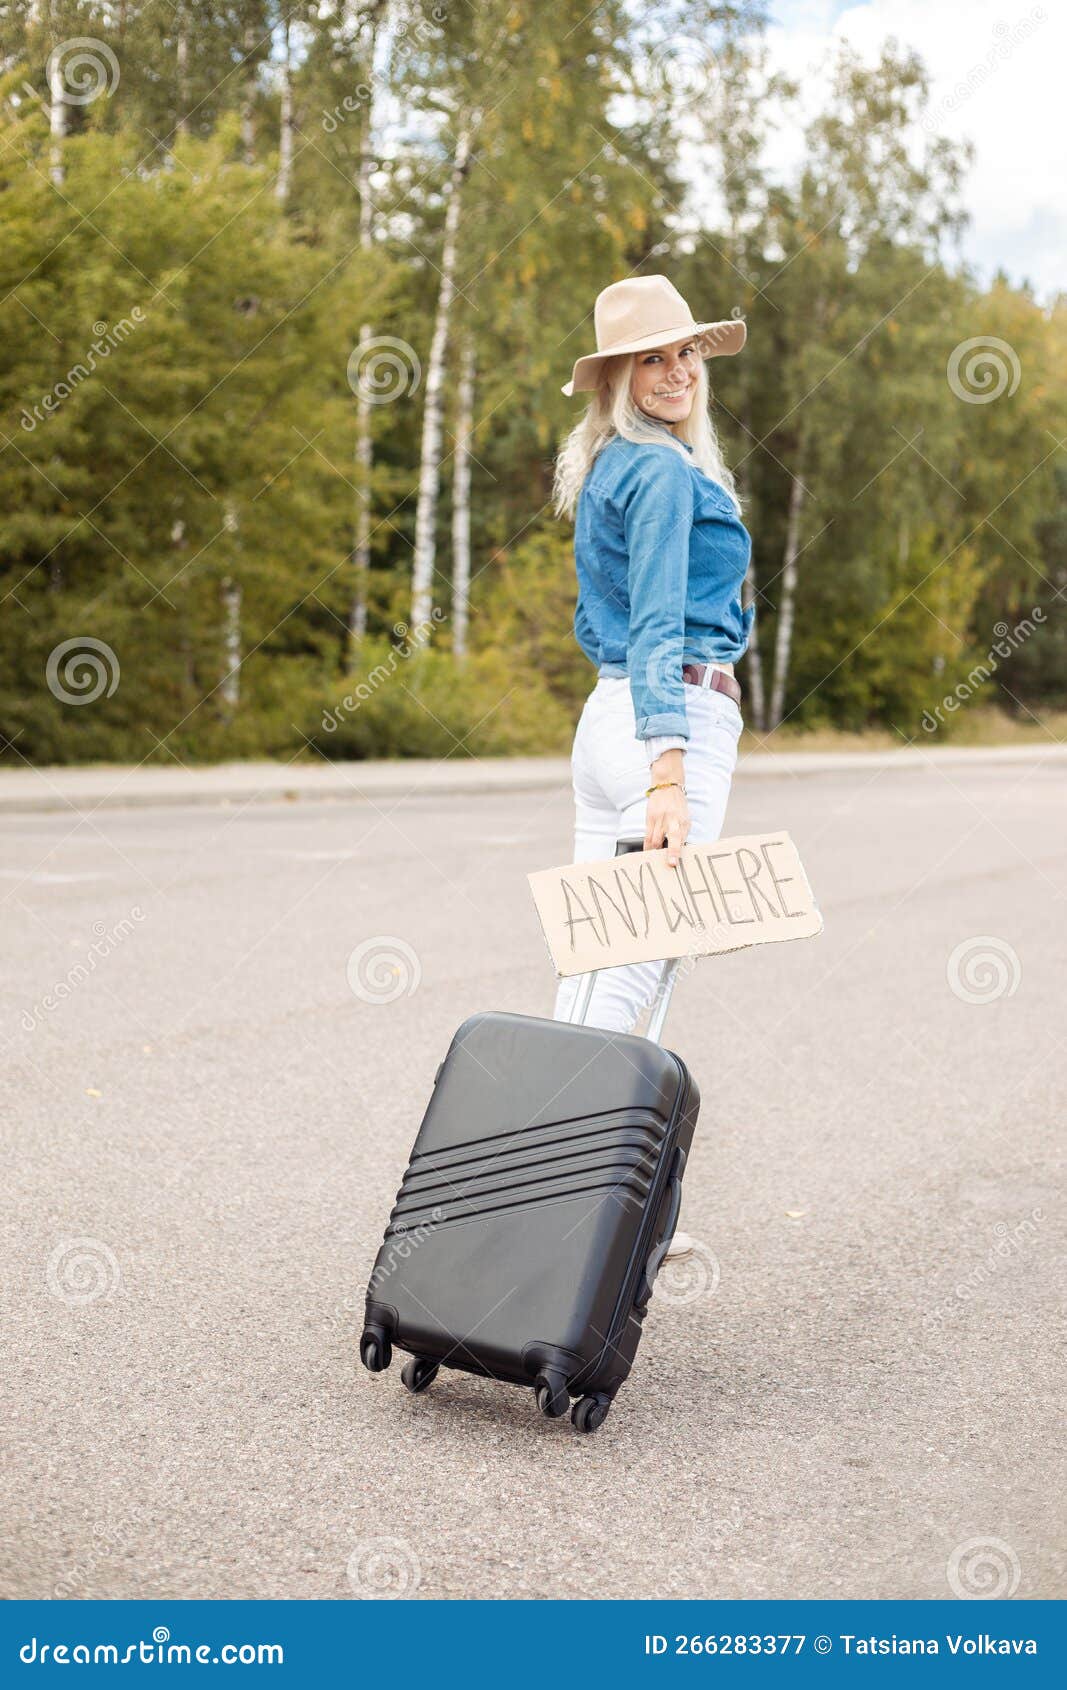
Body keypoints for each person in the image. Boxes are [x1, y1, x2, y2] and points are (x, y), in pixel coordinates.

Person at [551, 275, 754, 1260]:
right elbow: (660, 622)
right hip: (659, 724)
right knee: (633, 962)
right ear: (618, 378)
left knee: (599, 960)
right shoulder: (665, 475)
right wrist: (669, 771)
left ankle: (588, 1194)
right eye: (652, 357)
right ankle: (557, 1190)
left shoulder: (608, 469)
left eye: (684, 354)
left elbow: (604, 620)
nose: (676, 371)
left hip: (607, 718)